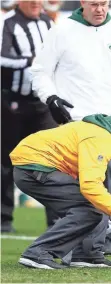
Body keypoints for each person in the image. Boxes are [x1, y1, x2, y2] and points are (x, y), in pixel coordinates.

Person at [30, 0, 111, 255]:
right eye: (94, 4)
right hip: (79, 123)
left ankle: (106, 235)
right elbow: (40, 71)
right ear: (83, 3)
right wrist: (51, 97)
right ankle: (79, 243)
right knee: (89, 185)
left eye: (105, 4)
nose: (100, 9)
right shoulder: (62, 30)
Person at [11, 104, 111, 269]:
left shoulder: (102, 133)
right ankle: (38, 253)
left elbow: (94, 187)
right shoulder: (101, 139)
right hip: (34, 168)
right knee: (91, 208)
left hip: (33, 166)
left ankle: (85, 255)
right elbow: (90, 187)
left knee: (94, 206)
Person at [1, 0, 58, 233]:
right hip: (13, 102)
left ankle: (55, 222)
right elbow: (1, 58)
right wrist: (31, 63)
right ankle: (3, 218)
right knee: (6, 159)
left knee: (52, 159)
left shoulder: (47, 22)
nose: (36, 2)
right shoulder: (8, 24)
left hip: (43, 102)